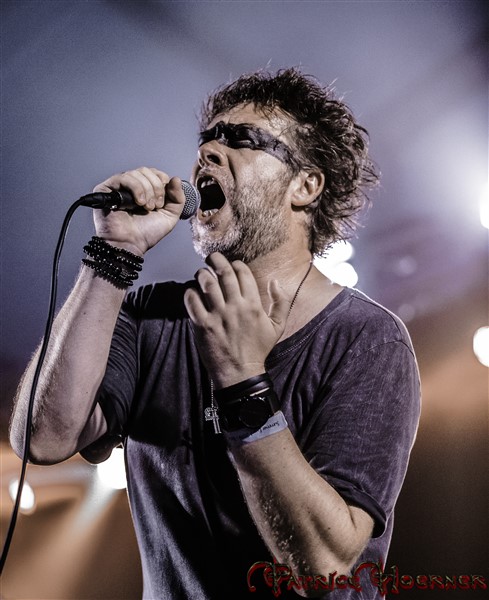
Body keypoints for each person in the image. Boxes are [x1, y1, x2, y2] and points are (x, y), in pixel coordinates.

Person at [10, 68, 420, 599]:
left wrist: (242, 379)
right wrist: (113, 255)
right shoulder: (152, 316)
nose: (207, 152)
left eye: (241, 140)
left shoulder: (367, 339)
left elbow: (323, 566)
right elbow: (41, 438)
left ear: (305, 185)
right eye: (207, 139)